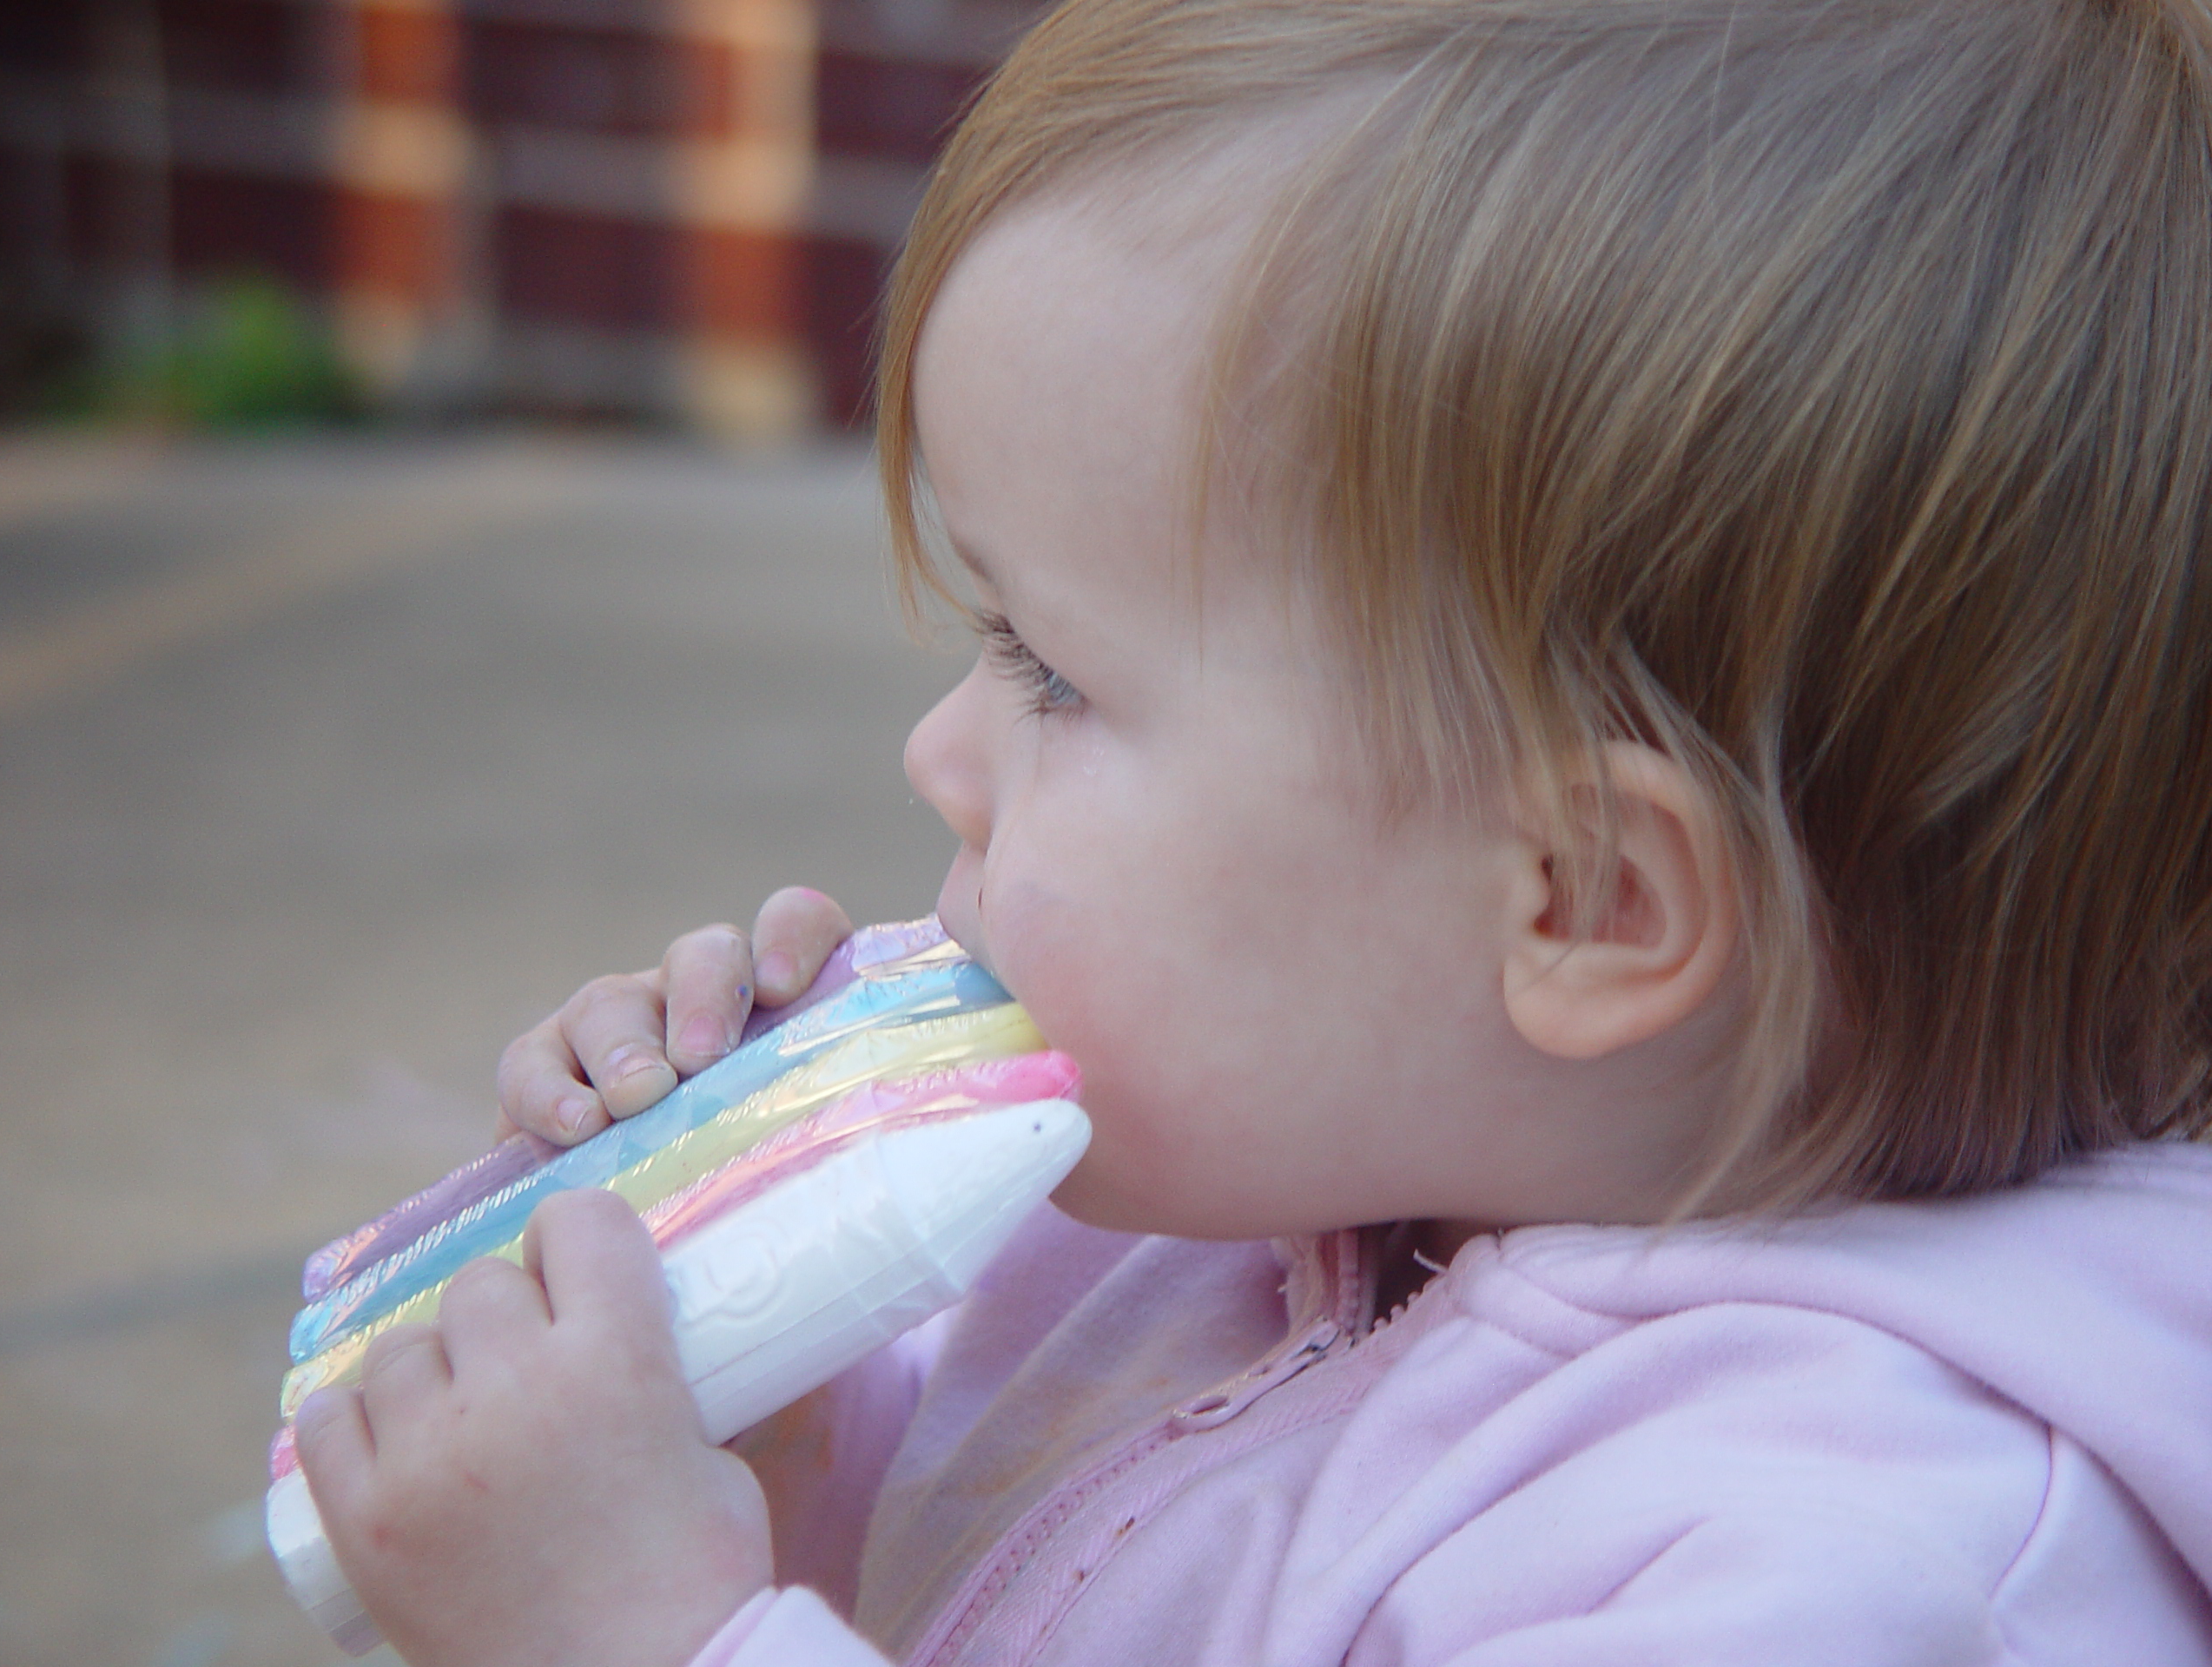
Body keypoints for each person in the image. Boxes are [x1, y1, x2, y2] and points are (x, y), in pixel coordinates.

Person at [292, 0, 2212, 1661]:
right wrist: (772, 1435)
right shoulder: (1277, 1187)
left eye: (1046, 669)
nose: (936, 754)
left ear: (1587, 904)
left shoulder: (1828, 1562)